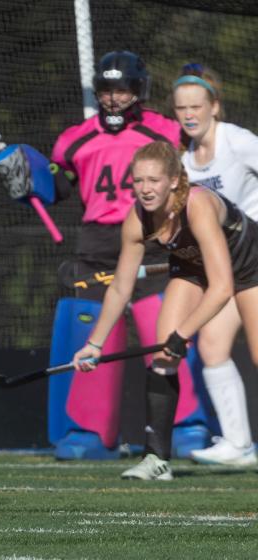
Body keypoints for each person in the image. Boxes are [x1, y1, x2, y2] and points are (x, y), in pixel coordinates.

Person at [47, 51, 213, 460]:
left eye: (123, 89)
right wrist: (28, 178)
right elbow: (55, 188)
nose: (114, 98)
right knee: (91, 332)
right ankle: (87, 430)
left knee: (165, 329)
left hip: (154, 236)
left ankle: (186, 424)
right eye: (107, 89)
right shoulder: (74, 138)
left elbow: (202, 158)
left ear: (139, 91)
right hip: (98, 243)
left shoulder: (167, 131)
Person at [72, 141, 258, 480]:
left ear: (174, 179)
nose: (145, 189)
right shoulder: (137, 219)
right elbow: (120, 288)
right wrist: (94, 343)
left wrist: (182, 334)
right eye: (138, 180)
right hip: (194, 269)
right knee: (163, 355)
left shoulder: (197, 205)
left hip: (250, 267)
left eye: (153, 180)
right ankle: (157, 459)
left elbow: (222, 288)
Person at [172, 63, 258, 466]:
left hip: (255, 256)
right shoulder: (184, 159)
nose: (189, 114)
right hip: (226, 268)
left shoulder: (237, 141)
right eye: (181, 107)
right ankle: (239, 446)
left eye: (196, 106)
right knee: (211, 345)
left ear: (215, 107)